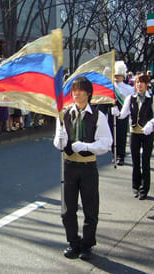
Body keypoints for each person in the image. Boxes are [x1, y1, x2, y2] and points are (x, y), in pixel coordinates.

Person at [53, 77, 112, 260]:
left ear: (88, 93)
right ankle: (73, 242)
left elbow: (106, 143)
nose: (76, 94)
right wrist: (60, 140)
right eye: (74, 90)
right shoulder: (63, 114)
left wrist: (86, 146)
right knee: (68, 209)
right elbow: (57, 143)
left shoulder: (97, 115)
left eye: (80, 90)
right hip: (69, 166)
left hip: (88, 167)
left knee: (90, 208)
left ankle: (87, 245)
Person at [112, 74, 154, 199]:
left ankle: (144, 189)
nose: (140, 85)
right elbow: (124, 114)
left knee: (145, 161)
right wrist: (116, 112)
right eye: (138, 82)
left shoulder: (153, 99)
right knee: (135, 161)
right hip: (134, 133)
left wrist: (151, 123)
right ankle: (136, 186)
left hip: (147, 133)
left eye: (142, 82)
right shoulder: (130, 98)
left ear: (147, 84)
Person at [109, 61, 134, 165]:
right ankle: (114, 154)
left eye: (119, 75)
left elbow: (131, 102)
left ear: (123, 76)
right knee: (112, 134)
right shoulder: (110, 86)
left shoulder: (129, 88)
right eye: (115, 75)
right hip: (112, 112)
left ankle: (121, 156)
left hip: (123, 113)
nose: (117, 77)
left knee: (121, 134)